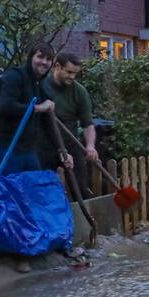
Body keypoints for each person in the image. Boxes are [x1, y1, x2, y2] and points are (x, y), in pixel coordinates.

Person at [0, 43, 65, 175]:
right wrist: (38, 107)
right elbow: (6, 106)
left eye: (48, 59)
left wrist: (61, 150)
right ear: (30, 57)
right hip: (7, 148)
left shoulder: (41, 85)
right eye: (40, 57)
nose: (44, 62)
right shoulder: (13, 77)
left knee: (33, 188)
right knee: (9, 190)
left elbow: (48, 122)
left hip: (29, 150)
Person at [42, 53, 96, 198]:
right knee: (46, 190)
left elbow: (87, 123)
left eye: (75, 74)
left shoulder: (79, 91)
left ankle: (83, 215)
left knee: (80, 186)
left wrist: (90, 146)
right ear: (57, 67)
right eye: (69, 72)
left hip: (71, 142)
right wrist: (60, 150)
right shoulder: (42, 87)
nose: (72, 77)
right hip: (45, 144)